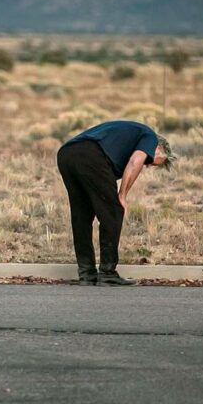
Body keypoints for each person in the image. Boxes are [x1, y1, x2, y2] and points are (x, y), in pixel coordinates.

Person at [56, 120, 176, 286]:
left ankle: (87, 274)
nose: (147, 165)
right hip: (90, 155)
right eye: (150, 162)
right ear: (158, 148)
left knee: (81, 216)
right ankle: (107, 273)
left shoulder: (129, 136)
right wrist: (122, 195)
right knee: (113, 212)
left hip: (66, 154)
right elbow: (135, 162)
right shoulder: (150, 137)